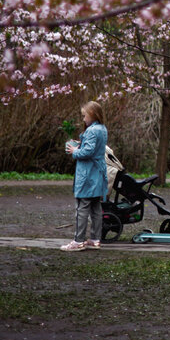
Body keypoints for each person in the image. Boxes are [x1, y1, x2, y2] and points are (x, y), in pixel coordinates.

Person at [62, 101, 109, 251]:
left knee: (82, 207)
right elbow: (93, 148)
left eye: (85, 116)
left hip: (88, 175)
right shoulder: (102, 129)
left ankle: (78, 241)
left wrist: (74, 151)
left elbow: (87, 152)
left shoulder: (92, 131)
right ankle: (95, 239)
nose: (83, 119)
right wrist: (81, 144)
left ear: (93, 115)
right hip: (98, 174)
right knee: (95, 207)